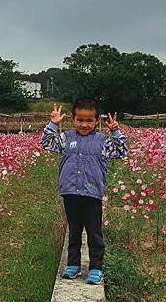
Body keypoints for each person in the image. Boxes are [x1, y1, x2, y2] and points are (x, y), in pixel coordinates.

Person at [41, 97, 128, 284]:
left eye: (89, 120)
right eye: (80, 120)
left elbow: (120, 151)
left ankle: (96, 268)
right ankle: (73, 265)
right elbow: (47, 143)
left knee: (94, 232)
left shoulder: (102, 141)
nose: (84, 124)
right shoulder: (66, 138)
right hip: (70, 192)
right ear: (72, 119)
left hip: (92, 193)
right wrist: (53, 124)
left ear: (97, 120)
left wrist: (116, 131)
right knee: (74, 230)